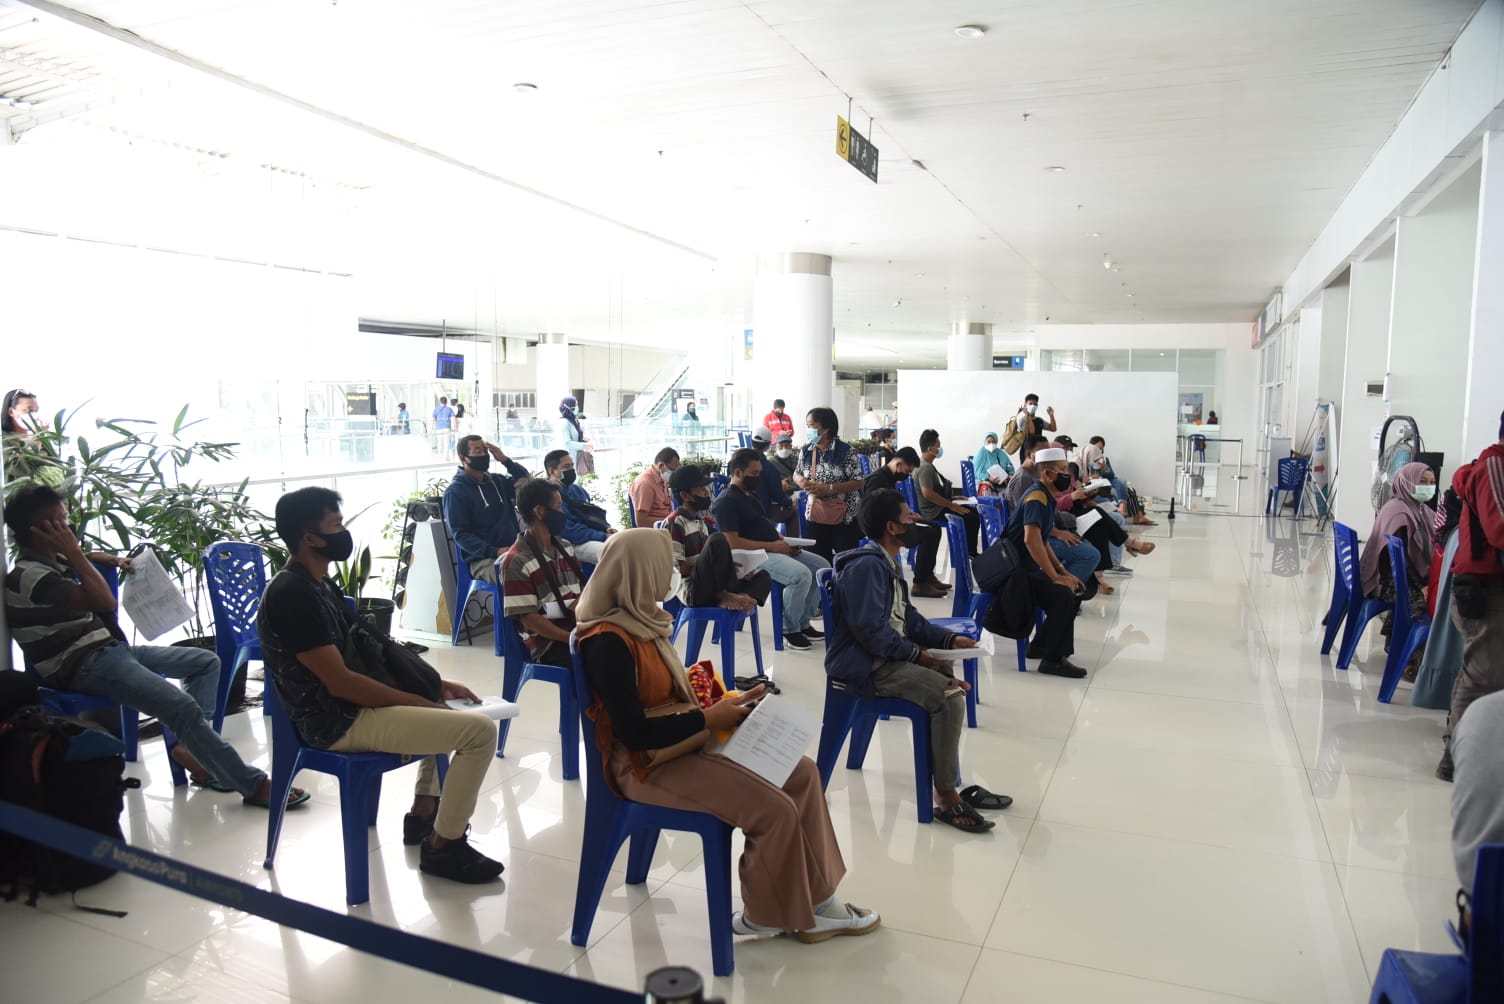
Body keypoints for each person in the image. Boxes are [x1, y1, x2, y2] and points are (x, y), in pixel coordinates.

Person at [576, 529, 879, 941]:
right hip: (644, 765)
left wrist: (727, 704)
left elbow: (666, 697)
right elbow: (634, 732)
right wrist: (709, 719)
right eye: (663, 565)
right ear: (639, 571)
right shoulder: (607, 641)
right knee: (774, 809)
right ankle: (767, 913)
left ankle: (819, 900)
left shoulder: (643, 621)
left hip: (680, 744)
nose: (672, 573)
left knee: (802, 773)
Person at [3, 485, 306, 810]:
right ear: (41, 529)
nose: (70, 528)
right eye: (62, 521)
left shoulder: (51, 563)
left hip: (108, 651)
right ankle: (253, 785)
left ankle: (191, 748)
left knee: (206, 662)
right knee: (180, 707)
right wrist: (76, 553)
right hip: (82, 663)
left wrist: (103, 558)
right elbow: (103, 600)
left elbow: (79, 562)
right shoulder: (30, 576)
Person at [255, 486, 502, 882]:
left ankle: (424, 815)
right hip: (336, 720)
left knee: (447, 710)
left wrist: (435, 686)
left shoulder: (318, 584)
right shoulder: (291, 595)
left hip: (351, 707)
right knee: (479, 733)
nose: (343, 532)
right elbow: (340, 683)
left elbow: (366, 658)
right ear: (308, 538)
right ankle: (444, 847)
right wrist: (416, 702)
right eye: (335, 525)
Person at [826, 490, 1011, 832]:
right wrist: (916, 655)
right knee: (949, 696)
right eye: (909, 516)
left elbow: (908, 618)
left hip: (884, 656)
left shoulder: (887, 561)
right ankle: (946, 797)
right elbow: (869, 630)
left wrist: (947, 640)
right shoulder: (867, 567)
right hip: (868, 665)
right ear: (892, 527)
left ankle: (945, 777)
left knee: (945, 668)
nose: (915, 521)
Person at [1438, 412, 1504, 782]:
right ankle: (1454, 757)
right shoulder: (1494, 464)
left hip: (1487, 584)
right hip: (1484, 588)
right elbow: (1499, 529)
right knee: (1482, 676)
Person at [713, 448, 828, 650]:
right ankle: (789, 628)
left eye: (760, 473)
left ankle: (803, 622)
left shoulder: (750, 496)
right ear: (738, 473)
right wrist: (773, 546)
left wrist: (784, 541)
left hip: (771, 548)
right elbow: (732, 542)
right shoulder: (726, 502)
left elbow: (763, 525)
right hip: (751, 556)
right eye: (754, 473)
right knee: (800, 575)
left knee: (822, 567)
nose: (758, 478)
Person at [1003, 450, 1091, 678]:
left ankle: (1040, 646)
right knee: (1063, 594)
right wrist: (1055, 577)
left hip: (1025, 570)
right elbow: (1031, 539)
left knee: (1075, 586)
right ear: (1047, 474)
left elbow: (1043, 540)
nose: (1066, 474)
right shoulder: (1037, 498)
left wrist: (1062, 572)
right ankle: (1052, 660)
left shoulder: (1045, 496)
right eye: (1061, 470)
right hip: (1015, 575)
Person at [1359, 462, 1436, 671]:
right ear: (1406, 481)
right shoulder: (1398, 513)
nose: (1428, 487)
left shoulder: (1420, 510)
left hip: (1398, 578)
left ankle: (1397, 645)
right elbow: (1400, 562)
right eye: (1422, 482)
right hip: (1384, 581)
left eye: (1431, 483)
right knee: (1426, 603)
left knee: (1428, 595)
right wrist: (1422, 587)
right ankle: (1410, 661)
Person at [500, 479, 586, 668]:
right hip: (549, 642)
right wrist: (571, 638)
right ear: (539, 511)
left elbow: (583, 590)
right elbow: (530, 620)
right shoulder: (517, 561)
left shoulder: (565, 547)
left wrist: (581, 604)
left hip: (578, 627)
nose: (562, 513)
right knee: (600, 654)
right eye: (558, 507)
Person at [666, 464, 771, 616]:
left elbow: (714, 561)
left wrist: (736, 570)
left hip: (714, 585)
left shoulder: (701, 522)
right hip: (694, 590)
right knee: (718, 539)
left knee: (763, 576)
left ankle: (744, 599)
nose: (706, 492)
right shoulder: (675, 523)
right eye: (701, 489)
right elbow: (677, 569)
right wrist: (723, 568)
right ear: (685, 496)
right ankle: (723, 596)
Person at [443, 434, 530, 583]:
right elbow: (461, 535)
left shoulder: (497, 481)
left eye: (485, 450)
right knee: (517, 575)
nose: (484, 455)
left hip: (513, 550)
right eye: (478, 451)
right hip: (483, 560)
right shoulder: (455, 492)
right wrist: (496, 551)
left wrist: (505, 460)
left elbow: (525, 480)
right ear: (463, 458)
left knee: (548, 565)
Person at [864, 447, 947, 599]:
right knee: (929, 533)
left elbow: (891, 506)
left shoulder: (888, 478)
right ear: (898, 464)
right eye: (907, 471)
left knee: (934, 527)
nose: (907, 475)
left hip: (894, 523)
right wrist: (903, 519)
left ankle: (927, 575)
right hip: (886, 530)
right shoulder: (878, 480)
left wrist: (908, 515)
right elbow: (875, 512)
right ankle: (920, 583)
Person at [793, 407, 864, 562]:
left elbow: (859, 482)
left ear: (825, 428)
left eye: (812, 425)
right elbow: (796, 473)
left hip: (844, 516)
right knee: (818, 560)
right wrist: (801, 481)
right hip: (816, 514)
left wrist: (830, 489)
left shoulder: (846, 451)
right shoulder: (806, 450)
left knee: (845, 561)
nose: (808, 429)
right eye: (807, 425)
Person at [914, 429, 980, 559]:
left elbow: (934, 491)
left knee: (973, 512)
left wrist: (954, 498)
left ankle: (969, 550)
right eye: (938, 445)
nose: (940, 449)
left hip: (936, 507)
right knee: (971, 518)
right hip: (933, 511)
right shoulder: (925, 468)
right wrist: (951, 505)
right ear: (930, 449)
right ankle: (969, 553)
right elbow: (928, 493)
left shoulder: (926, 465)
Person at [543, 448, 613, 564]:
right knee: (612, 553)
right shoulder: (548, 496)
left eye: (572, 466)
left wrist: (606, 528)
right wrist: (602, 536)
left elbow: (589, 517)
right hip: (570, 542)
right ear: (552, 471)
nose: (571, 470)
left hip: (592, 536)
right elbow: (567, 531)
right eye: (566, 467)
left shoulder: (578, 490)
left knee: (627, 544)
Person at [748, 427, 795, 526]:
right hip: (761, 513)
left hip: (739, 510)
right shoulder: (768, 467)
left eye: (787, 445)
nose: (784, 448)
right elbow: (777, 495)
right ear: (769, 445)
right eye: (781, 445)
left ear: (751, 441)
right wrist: (790, 502)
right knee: (793, 510)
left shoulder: (736, 461)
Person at [628, 447, 680, 526]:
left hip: (667, 525)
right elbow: (641, 521)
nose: (674, 474)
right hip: (655, 530)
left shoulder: (662, 479)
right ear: (661, 466)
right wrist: (672, 520)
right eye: (673, 470)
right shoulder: (645, 483)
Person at [1009, 393, 1057, 462]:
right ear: (1025, 405)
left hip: (1039, 450)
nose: (1033, 406)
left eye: (1035, 404)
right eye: (1030, 404)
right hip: (1027, 451)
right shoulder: (1022, 420)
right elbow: (1032, 432)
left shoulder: (1039, 420)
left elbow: (1053, 428)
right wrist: (1027, 415)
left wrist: (1051, 415)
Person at [556, 396, 595, 475]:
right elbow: (567, 443)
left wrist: (583, 439)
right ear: (569, 406)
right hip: (570, 458)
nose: (577, 407)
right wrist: (586, 446)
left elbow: (575, 437)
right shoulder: (564, 423)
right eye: (575, 405)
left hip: (577, 457)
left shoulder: (573, 421)